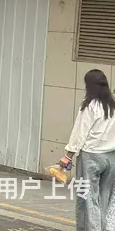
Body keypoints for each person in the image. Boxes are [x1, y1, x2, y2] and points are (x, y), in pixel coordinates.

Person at [61, 69, 115, 230]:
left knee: (87, 198)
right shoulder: (112, 104)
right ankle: (102, 227)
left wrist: (68, 156)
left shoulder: (89, 105)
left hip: (91, 157)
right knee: (104, 197)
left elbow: (80, 132)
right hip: (111, 157)